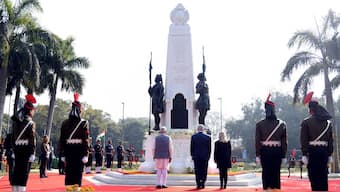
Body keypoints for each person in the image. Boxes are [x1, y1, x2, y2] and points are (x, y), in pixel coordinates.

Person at [300, 92, 333, 191]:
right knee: (323, 178)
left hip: (312, 153)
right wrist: (330, 154)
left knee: (314, 179)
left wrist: (304, 154)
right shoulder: (328, 123)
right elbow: (330, 140)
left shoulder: (306, 122)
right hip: (324, 153)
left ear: (310, 110)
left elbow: (304, 140)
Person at [255, 94, 287, 191]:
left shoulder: (260, 124)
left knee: (266, 175)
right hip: (277, 152)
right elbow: (284, 142)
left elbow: (257, 141)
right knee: (276, 175)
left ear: (266, 110)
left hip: (265, 152)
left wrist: (257, 155)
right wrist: (283, 156)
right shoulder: (281, 124)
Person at [59, 93, 89, 190]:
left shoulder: (65, 123)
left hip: (68, 152)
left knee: (69, 176)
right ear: (80, 110)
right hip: (79, 153)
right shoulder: (84, 123)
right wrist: (86, 154)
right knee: (77, 177)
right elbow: (85, 140)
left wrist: (63, 154)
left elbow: (62, 140)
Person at [10, 94, 37, 191]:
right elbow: (32, 139)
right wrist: (32, 152)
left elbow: (13, 137)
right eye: (33, 110)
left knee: (16, 171)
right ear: (30, 111)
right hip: (26, 151)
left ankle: (15, 189)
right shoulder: (31, 123)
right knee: (23, 172)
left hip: (17, 150)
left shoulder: (17, 122)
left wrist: (13, 149)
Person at [190, 124, 211, 189]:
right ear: (203, 129)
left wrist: (192, 155)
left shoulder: (194, 137)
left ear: (197, 129)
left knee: (197, 170)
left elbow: (192, 148)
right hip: (205, 156)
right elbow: (209, 148)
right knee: (204, 170)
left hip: (196, 156)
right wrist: (208, 156)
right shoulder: (208, 137)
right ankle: (203, 183)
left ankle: (198, 184)